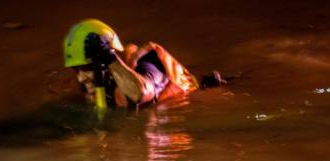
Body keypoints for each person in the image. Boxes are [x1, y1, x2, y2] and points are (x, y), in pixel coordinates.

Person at [63, 19, 225, 108]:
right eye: (76, 70)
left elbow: (141, 94)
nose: (80, 78)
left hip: (202, 100)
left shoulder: (147, 65)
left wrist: (108, 56)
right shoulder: (95, 84)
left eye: (85, 68)